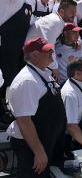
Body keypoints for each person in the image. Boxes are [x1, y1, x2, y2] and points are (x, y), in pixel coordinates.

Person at [8, 37, 66, 177]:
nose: (52, 52)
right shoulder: (27, 81)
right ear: (34, 55)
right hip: (32, 146)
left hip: (46, 139)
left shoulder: (43, 73)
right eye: (48, 51)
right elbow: (24, 120)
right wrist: (39, 152)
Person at [0, 0, 45, 125]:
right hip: (5, 46)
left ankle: (14, 111)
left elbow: (32, 22)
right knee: (4, 81)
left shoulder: (24, 0)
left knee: (14, 80)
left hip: (18, 49)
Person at [26, 0, 78, 81]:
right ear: (61, 11)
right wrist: (55, 68)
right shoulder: (56, 22)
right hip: (34, 58)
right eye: (71, 11)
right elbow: (48, 47)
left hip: (35, 57)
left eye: (75, 11)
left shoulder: (56, 19)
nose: (74, 14)